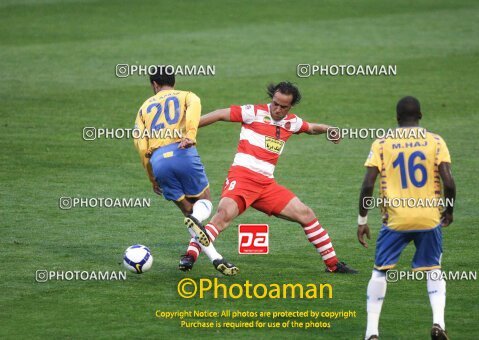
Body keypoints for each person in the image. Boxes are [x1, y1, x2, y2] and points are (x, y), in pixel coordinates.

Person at [184, 81, 358, 274]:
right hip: (243, 179)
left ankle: (333, 264)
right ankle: (190, 255)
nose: (277, 108)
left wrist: (328, 129)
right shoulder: (254, 112)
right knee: (223, 216)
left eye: (283, 106)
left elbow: (310, 128)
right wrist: (189, 129)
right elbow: (219, 114)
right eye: (275, 103)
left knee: (306, 214)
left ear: (290, 106)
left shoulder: (291, 122)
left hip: (266, 186)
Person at [357, 96, 456, 340]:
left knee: (380, 272)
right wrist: (449, 209)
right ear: (420, 115)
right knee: (434, 269)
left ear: (397, 118)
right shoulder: (435, 141)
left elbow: (368, 183)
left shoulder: (381, 143)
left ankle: (371, 333)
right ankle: (438, 324)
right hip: (428, 218)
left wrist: (362, 220)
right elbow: (449, 181)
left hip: (395, 220)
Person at [133, 69, 238, 276]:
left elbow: (140, 145)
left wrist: (152, 177)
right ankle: (199, 221)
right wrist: (190, 135)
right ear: (174, 81)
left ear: (154, 84)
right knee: (205, 200)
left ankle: (216, 258)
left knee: (188, 211)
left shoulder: (143, 108)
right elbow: (194, 110)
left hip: (158, 161)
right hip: (182, 152)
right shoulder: (187, 96)